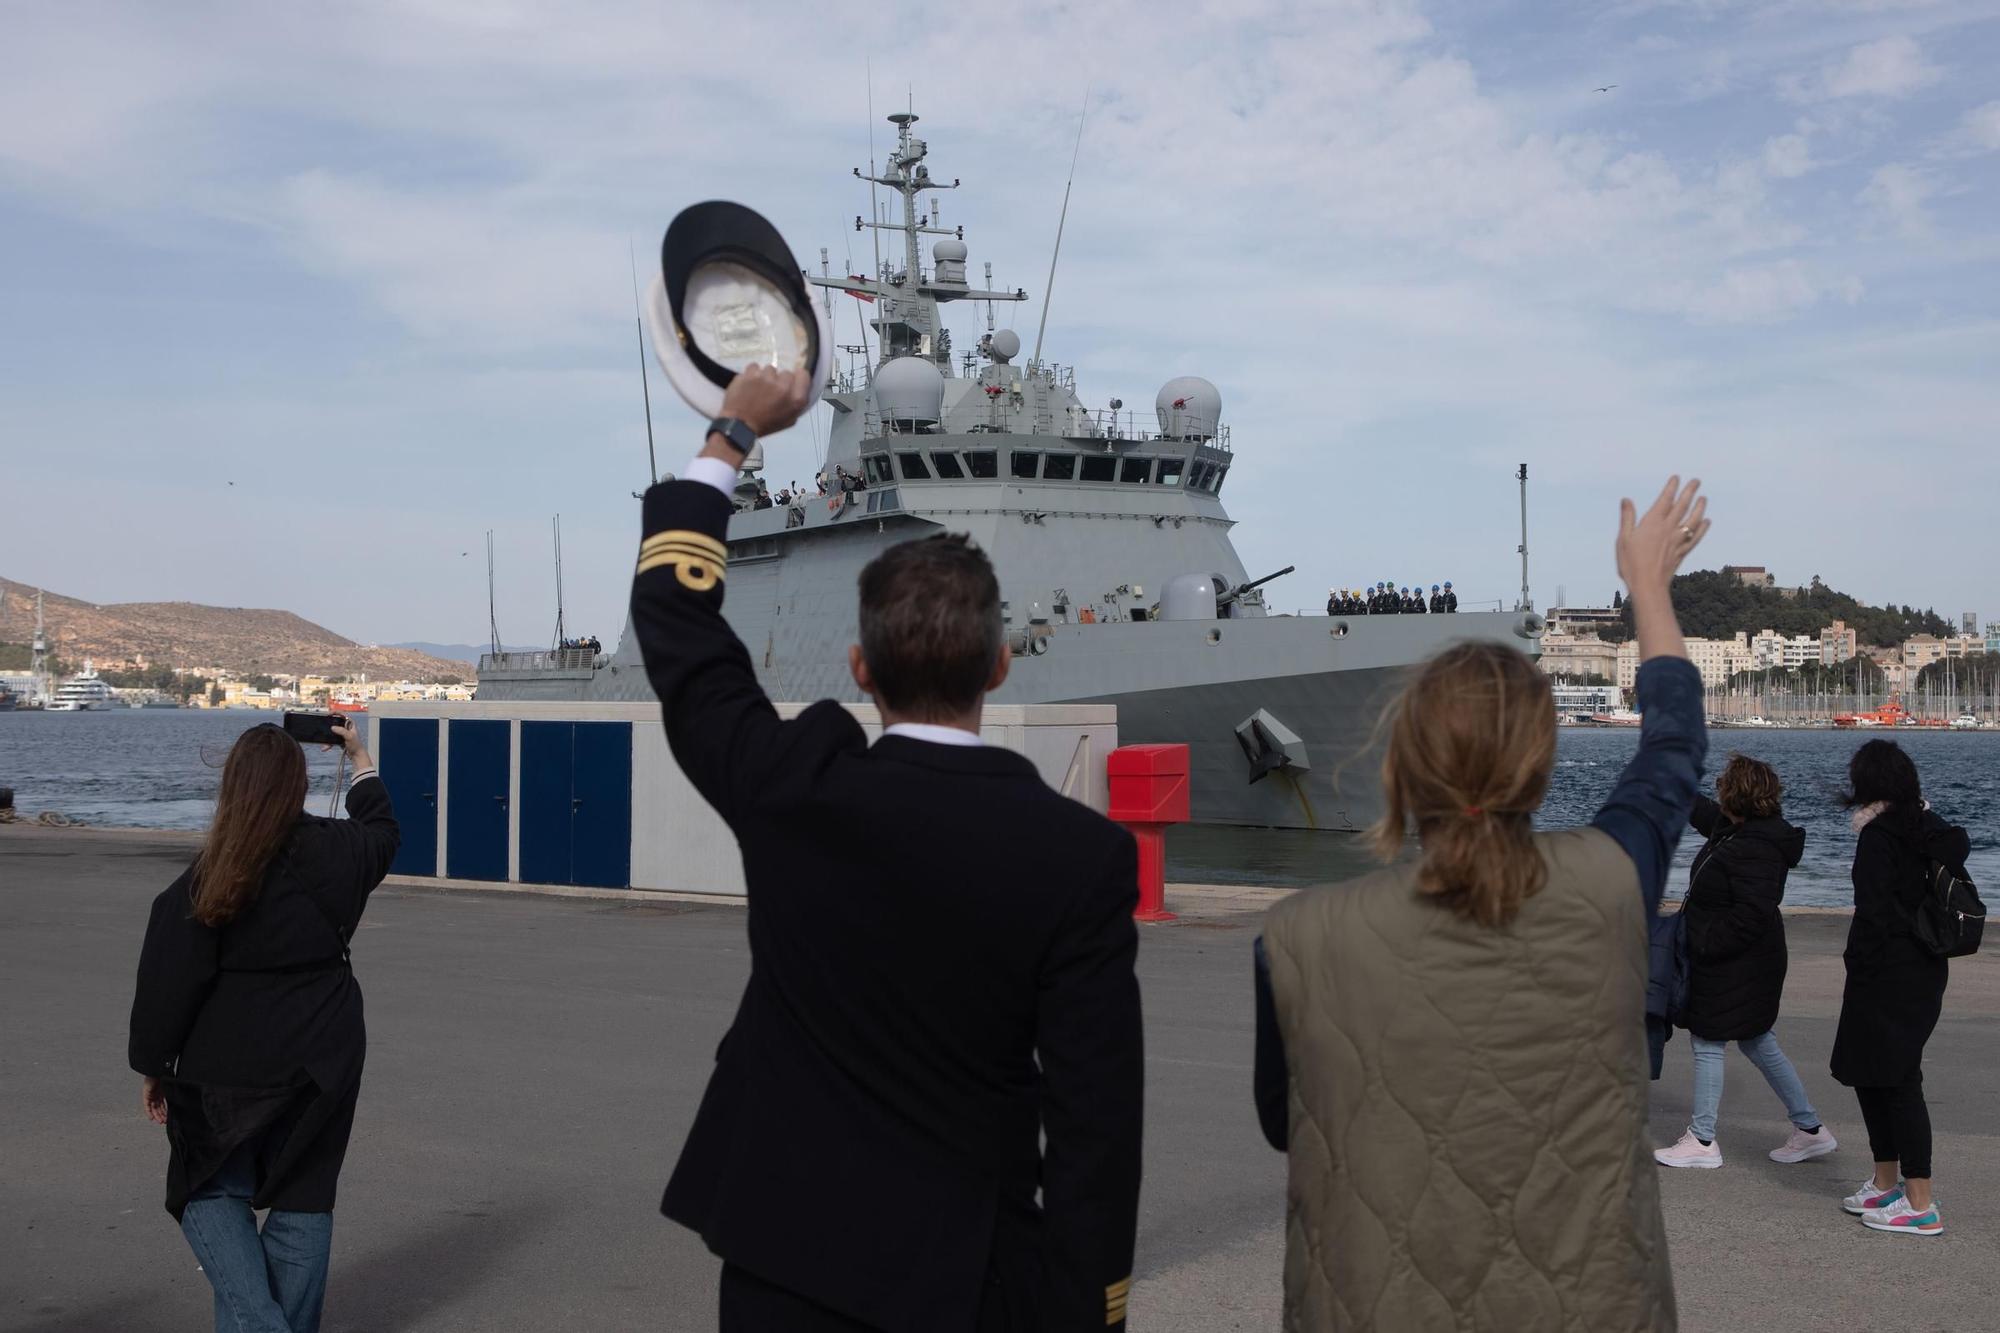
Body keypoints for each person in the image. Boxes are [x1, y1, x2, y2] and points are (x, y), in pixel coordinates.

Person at [633, 363, 1144, 1330]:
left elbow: (678, 629)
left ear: (861, 667)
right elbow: (1097, 1127)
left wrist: (730, 436)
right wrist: (1091, 1311)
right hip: (973, 1279)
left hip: (786, 1270)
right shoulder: (1081, 859)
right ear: (999, 663)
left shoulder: (796, 790)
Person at [1253, 476, 1710, 1331]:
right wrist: (1648, 584)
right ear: (1537, 766)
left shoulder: (1294, 938)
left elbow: (1288, 1121)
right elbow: (1675, 745)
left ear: (1402, 767)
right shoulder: (1611, 882)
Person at [128, 719, 399, 1333]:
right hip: (324, 1055)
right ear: (297, 783)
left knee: (208, 1187)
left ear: (232, 786)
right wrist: (359, 757)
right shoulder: (342, 852)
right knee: (305, 1194)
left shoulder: (207, 878)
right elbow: (383, 830)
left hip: (225, 1065)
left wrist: (153, 1065)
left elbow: (170, 982)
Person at [1654, 755, 1833, 1168]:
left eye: (1722, 789)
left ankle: (1701, 1141)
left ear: (1737, 797)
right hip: (1746, 958)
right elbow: (1707, 817)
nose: (1718, 794)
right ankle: (1810, 1130)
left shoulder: (1756, 847)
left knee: (1708, 1039)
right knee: (1757, 1039)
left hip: (1738, 960)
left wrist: (1702, 942)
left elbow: (1751, 914)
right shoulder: (1742, 831)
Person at [1829, 739, 1969, 1237]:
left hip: (1886, 971)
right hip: (1924, 967)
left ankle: (1921, 1201)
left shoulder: (1879, 835)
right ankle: (1887, 1180)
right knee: (1875, 1075)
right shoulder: (1929, 826)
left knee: (1899, 1080)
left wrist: (1857, 965)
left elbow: (1873, 913)